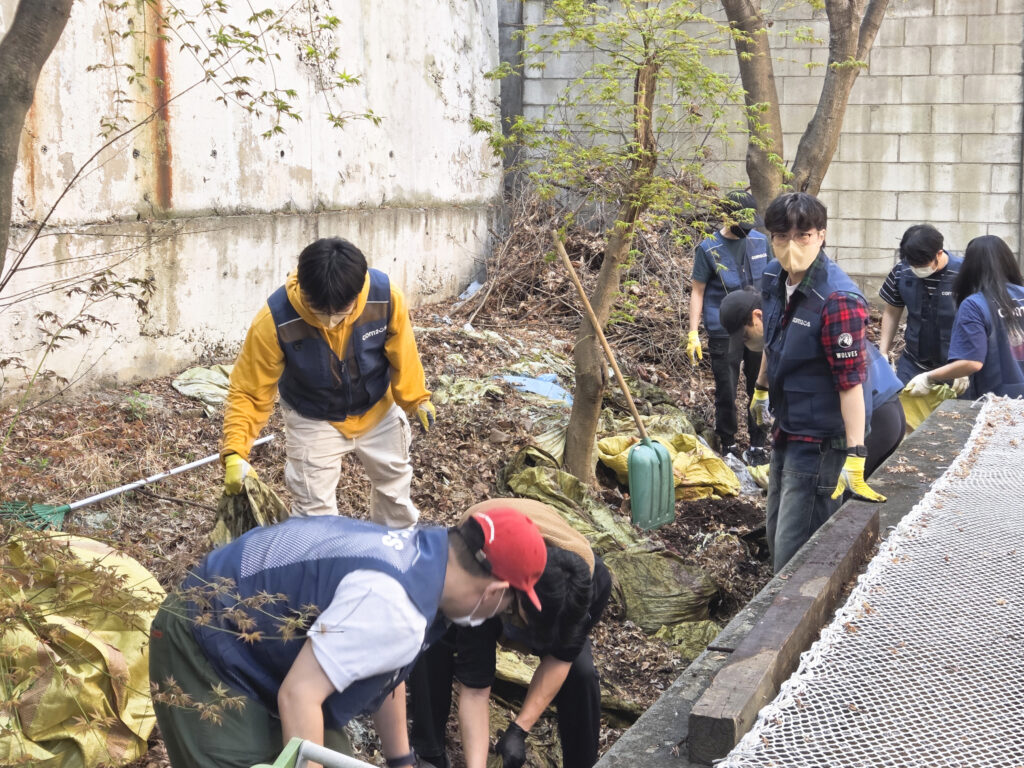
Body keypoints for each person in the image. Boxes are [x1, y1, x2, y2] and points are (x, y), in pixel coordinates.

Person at [149, 507, 548, 768]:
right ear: (495, 592)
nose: (499, 617)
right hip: (206, 637)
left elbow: (385, 667)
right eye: (508, 609)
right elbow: (299, 696)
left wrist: (401, 760)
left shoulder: (426, 558)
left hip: (270, 648)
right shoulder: (397, 604)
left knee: (333, 758)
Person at [221, 237, 435, 526]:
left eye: (341, 311)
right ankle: (323, 553)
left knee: (395, 494)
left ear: (358, 291)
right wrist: (236, 450)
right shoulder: (275, 319)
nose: (330, 322)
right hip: (313, 416)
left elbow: (404, 354)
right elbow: (249, 390)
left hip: (377, 408)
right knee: (314, 511)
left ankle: (395, 546)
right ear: (304, 290)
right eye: (320, 312)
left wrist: (417, 398)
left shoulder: (385, 298)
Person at [407, 498, 613, 768]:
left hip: (534, 588)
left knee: (581, 673)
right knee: (434, 635)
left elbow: (561, 659)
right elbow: (475, 690)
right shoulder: (487, 587)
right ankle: (429, 751)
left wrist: (519, 728)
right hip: (486, 565)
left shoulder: (587, 585)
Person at [747, 192, 886, 573]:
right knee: (776, 532)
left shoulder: (838, 299)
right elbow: (773, 339)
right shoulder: (773, 277)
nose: (791, 245)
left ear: (821, 235)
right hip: (788, 426)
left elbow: (850, 382)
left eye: (802, 236)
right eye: (781, 236)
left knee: (798, 553)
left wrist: (855, 453)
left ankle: (796, 608)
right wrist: (761, 388)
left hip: (822, 440)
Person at [720, 288, 905, 486]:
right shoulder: (784, 315)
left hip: (874, 419)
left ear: (758, 316)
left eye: (745, 336)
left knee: (834, 497)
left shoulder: (797, 337)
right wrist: (761, 388)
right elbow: (770, 345)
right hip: (886, 405)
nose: (745, 344)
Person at [687, 190, 771, 464]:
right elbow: (698, 291)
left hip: (758, 329)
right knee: (727, 389)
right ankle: (729, 443)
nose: (746, 229)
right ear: (727, 217)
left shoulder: (760, 242)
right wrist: (693, 332)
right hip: (724, 330)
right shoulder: (708, 248)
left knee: (760, 386)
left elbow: (773, 282)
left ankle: (758, 444)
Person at [903, 235, 1024, 399]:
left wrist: (928, 377)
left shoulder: (975, 305)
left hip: (997, 401)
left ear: (969, 266)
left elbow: (971, 362)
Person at [877, 224, 967, 392]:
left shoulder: (965, 273)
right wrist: (883, 352)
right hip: (913, 363)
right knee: (903, 405)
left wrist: (967, 362)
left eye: (922, 264)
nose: (916, 269)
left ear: (939, 254)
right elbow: (891, 312)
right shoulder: (901, 271)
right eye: (913, 264)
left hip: (955, 365)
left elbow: (980, 320)